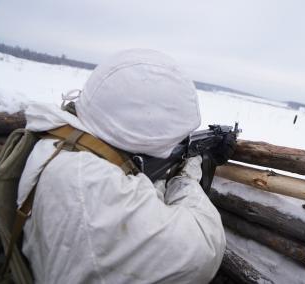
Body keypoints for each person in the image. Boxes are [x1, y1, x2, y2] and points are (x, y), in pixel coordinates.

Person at [17, 49, 229, 283]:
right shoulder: (94, 183)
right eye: (174, 142)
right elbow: (204, 248)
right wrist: (185, 177)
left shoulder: (63, 141)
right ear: (143, 135)